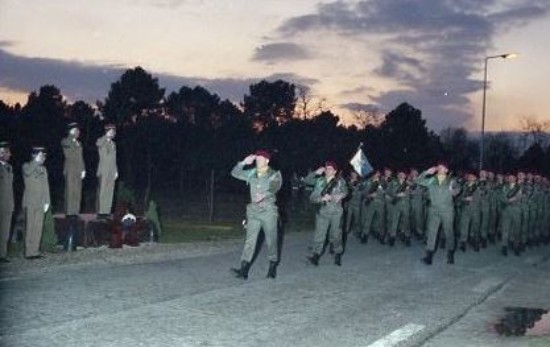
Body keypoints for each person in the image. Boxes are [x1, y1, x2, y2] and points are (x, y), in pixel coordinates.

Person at [230, 150, 283, 279]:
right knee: (250, 240)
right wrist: (243, 162)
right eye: (257, 158)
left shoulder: (273, 174)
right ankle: (244, 269)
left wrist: (264, 195)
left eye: (261, 159)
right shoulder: (252, 173)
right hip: (253, 211)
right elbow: (235, 173)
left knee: (271, 240)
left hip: (268, 211)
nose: (258, 160)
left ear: (267, 161)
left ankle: (272, 266)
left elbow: (276, 186)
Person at [416, 163, 460, 265]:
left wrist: (454, 191)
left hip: (447, 210)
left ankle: (450, 253)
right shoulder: (432, 180)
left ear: (446, 170)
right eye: (438, 167)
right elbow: (418, 181)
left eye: (442, 167)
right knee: (431, 232)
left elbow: (458, 188)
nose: (439, 169)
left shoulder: (451, 181)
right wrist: (426, 172)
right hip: (434, 210)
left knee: (449, 232)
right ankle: (429, 256)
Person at [306, 161, 348, 266]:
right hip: (322, 211)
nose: (327, 170)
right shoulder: (320, 181)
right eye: (326, 168)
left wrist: (341, 195)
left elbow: (346, 191)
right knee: (319, 235)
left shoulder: (340, 181)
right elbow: (307, 183)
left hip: (336, 212)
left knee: (336, 235)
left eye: (330, 169)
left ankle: (337, 253)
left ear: (335, 171)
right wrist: (315, 173)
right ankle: (315, 255)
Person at [22, 147, 51, 259]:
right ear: (34, 155)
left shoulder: (43, 169)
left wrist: (47, 201)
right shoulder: (27, 166)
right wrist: (35, 162)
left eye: (44, 155)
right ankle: (29, 252)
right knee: (30, 227)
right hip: (30, 202)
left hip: (41, 202)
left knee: (38, 227)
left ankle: (35, 251)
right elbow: (28, 173)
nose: (43, 158)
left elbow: (46, 186)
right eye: (41, 155)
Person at [62, 122, 85, 216]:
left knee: (77, 192)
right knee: (70, 191)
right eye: (77, 130)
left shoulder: (79, 143)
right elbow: (68, 155)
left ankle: (76, 212)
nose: (79, 132)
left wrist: (83, 169)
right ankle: (69, 212)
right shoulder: (66, 141)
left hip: (78, 169)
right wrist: (73, 140)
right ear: (72, 130)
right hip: (70, 168)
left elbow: (81, 157)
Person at [96, 124, 118, 217]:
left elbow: (114, 158)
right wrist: (106, 137)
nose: (112, 133)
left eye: (113, 131)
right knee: (103, 191)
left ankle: (107, 211)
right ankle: (101, 212)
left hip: (111, 170)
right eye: (110, 131)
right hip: (103, 169)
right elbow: (98, 143)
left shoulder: (113, 144)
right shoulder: (101, 141)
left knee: (110, 191)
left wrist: (116, 170)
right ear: (107, 131)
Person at [0, 142, 14, 262]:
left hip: (7, 204)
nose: (10, 154)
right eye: (7, 152)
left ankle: (2, 255)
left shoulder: (9, 167)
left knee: (5, 231)